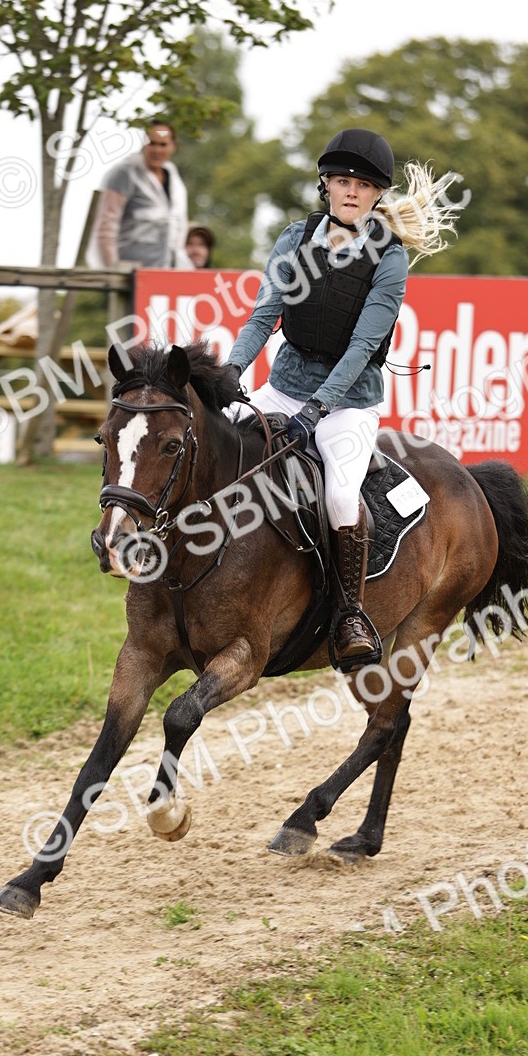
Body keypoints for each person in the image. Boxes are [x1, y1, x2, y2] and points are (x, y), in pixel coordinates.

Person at [226, 128, 456, 672]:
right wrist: (231, 370)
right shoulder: (295, 237)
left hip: (349, 404)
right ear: (326, 185)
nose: (350, 191)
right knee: (216, 442)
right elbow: (265, 316)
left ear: (377, 195)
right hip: (282, 387)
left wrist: (320, 408)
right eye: (342, 181)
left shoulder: (389, 259)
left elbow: (362, 347)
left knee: (338, 497)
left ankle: (350, 613)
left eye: (362, 185)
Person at [94, 119, 191, 268]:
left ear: (173, 146)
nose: (157, 150)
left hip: (165, 270)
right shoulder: (125, 173)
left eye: (163, 144)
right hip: (131, 270)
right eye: (152, 143)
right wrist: (113, 271)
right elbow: (106, 226)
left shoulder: (174, 179)